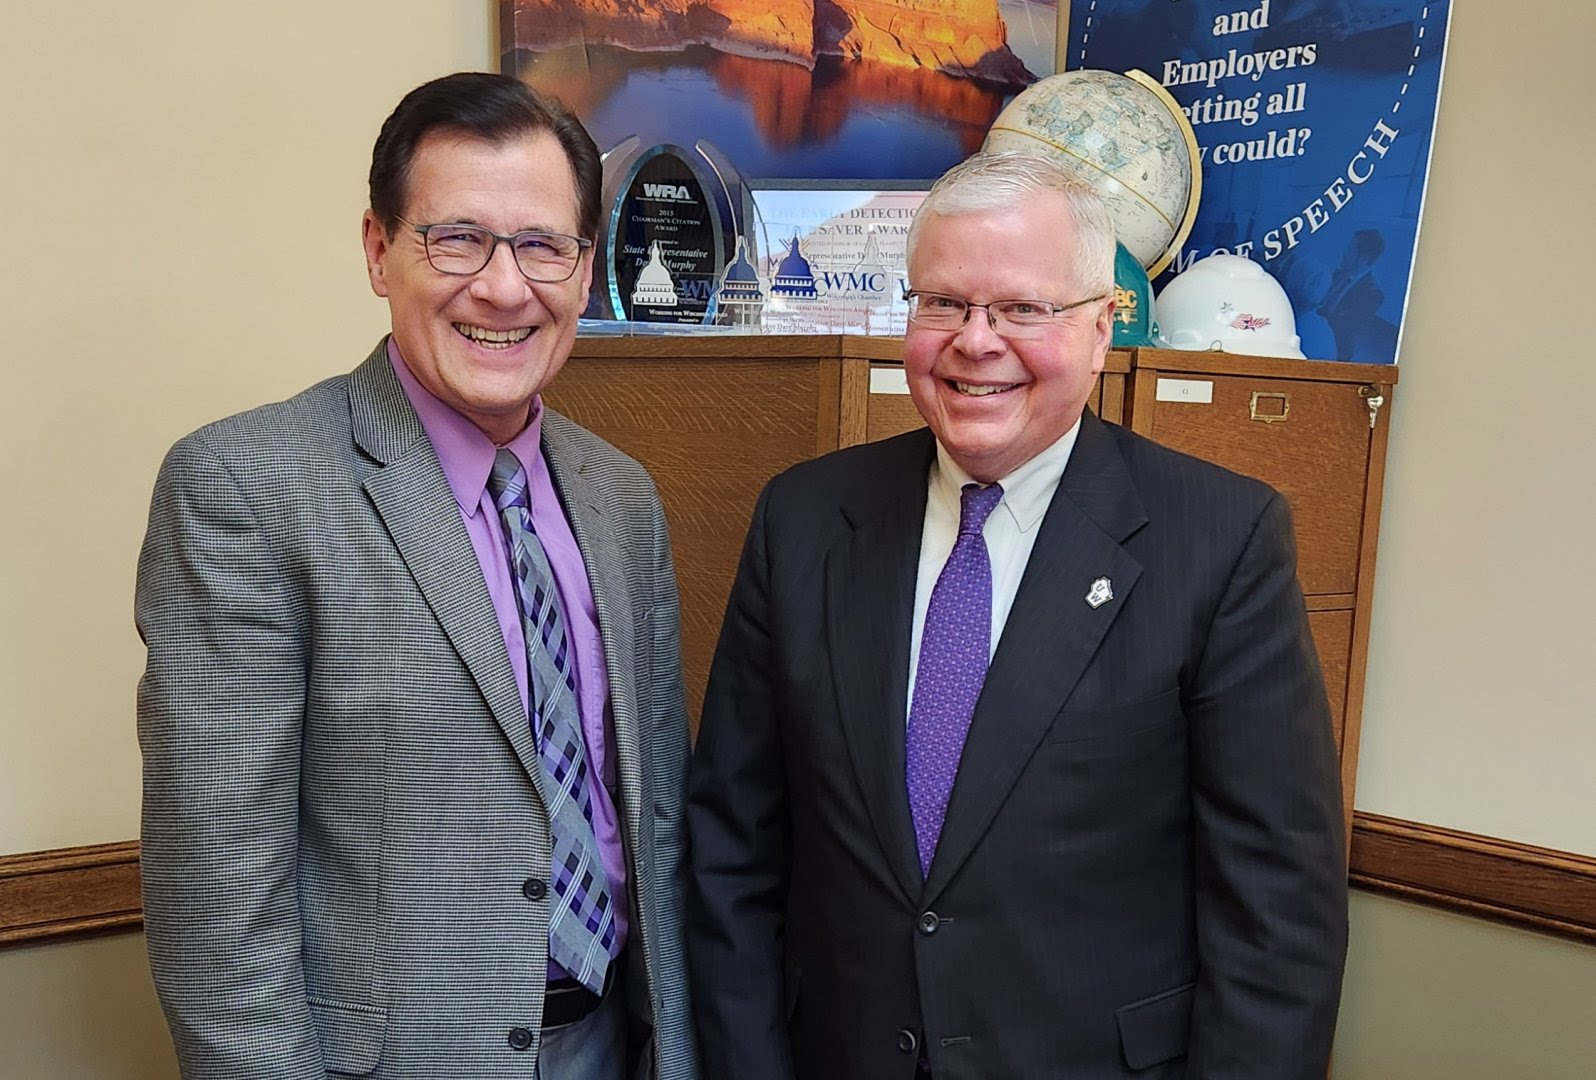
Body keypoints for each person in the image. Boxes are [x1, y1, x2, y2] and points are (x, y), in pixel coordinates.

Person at [686, 151, 1348, 1079]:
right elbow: (732, 851)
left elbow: (1279, 912)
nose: (974, 341)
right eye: (943, 303)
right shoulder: (802, 522)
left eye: (1023, 310)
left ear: (1099, 331)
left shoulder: (1221, 541)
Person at [137, 72, 697, 1080]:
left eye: (542, 246)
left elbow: (654, 835)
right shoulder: (245, 489)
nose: (502, 286)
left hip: (617, 1047)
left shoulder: (622, 499)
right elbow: (216, 907)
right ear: (377, 251)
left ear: (582, 268)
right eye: (457, 239)